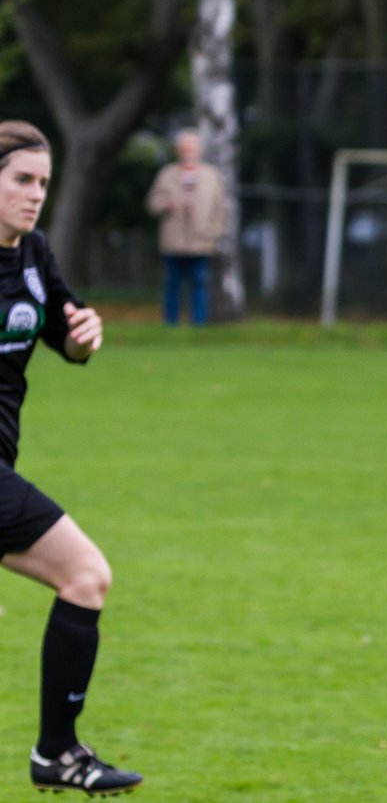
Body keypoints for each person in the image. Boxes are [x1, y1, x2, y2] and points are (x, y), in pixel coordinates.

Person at [0, 121, 144, 796]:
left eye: (43, 184)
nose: (35, 196)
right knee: (86, 573)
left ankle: (56, 755)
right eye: (21, 180)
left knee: (84, 580)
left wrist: (88, 334)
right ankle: (56, 754)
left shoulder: (34, 254)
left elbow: (70, 337)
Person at [146, 128, 227, 326]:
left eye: (192, 147)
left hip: (201, 241)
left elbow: (221, 209)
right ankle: (170, 324)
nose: (188, 151)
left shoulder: (211, 176)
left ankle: (198, 325)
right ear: (178, 150)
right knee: (173, 284)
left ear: (199, 149)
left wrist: (214, 233)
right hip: (174, 241)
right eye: (184, 147)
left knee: (200, 283)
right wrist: (164, 205)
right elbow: (152, 203)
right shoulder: (167, 174)